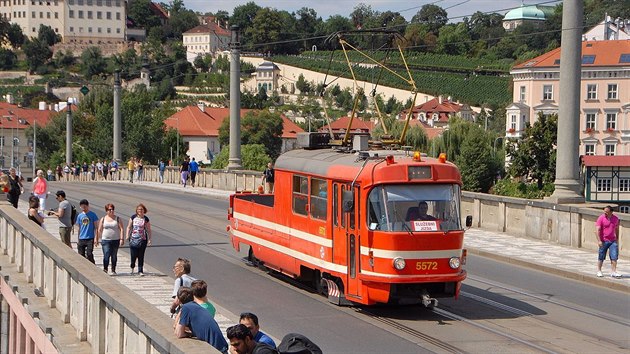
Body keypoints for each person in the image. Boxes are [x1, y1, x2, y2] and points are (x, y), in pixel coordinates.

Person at [174, 287, 228, 353]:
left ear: (179, 300)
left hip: (216, 350)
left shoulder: (186, 308)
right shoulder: (197, 307)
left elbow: (179, 333)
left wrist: (188, 334)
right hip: (222, 347)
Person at [98, 203, 124, 275]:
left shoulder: (117, 219)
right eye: (109, 209)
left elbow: (121, 229)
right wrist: (98, 239)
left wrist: (122, 239)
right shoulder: (103, 219)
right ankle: (105, 268)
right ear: (106, 211)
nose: (111, 211)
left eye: (112, 209)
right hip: (105, 240)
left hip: (115, 240)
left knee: (114, 255)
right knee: (106, 254)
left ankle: (113, 269)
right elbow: (99, 229)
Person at [595, 205, 622, 278]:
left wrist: (617, 239)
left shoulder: (615, 219)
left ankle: (613, 271)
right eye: (604, 211)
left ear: (611, 212)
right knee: (601, 256)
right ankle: (599, 270)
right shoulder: (601, 218)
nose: (605, 213)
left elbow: (617, 229)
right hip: (603, 240)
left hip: (612, 240)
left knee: (614, 256)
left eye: (607, 212)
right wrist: (599, 240)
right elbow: (597, 230)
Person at [126, 203, 152, 276]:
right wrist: (127, 235)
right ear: (136, 211)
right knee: (133, 255)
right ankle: (132, 266)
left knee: (141, 255)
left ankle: (140, 270)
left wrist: (150, 239)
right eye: (139, 209)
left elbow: (149, 229)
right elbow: (128, 227)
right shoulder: (133, 217)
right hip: (133, 238)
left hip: (143, 239)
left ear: (144, 210)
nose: (140, 211)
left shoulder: (146, 219)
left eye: (141, 209)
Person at [76, 199, 99, 264]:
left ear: (88, 206)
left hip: (90, 238)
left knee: (89, 253)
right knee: (81, 255)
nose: (83, 208)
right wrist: (78, 239)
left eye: (85, 206)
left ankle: (92, 264)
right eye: (82, 207)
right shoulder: (80, 216)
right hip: (81, 238)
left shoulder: (92, 215)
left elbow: (96, 228)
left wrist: (96, 239)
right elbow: (79, 228)